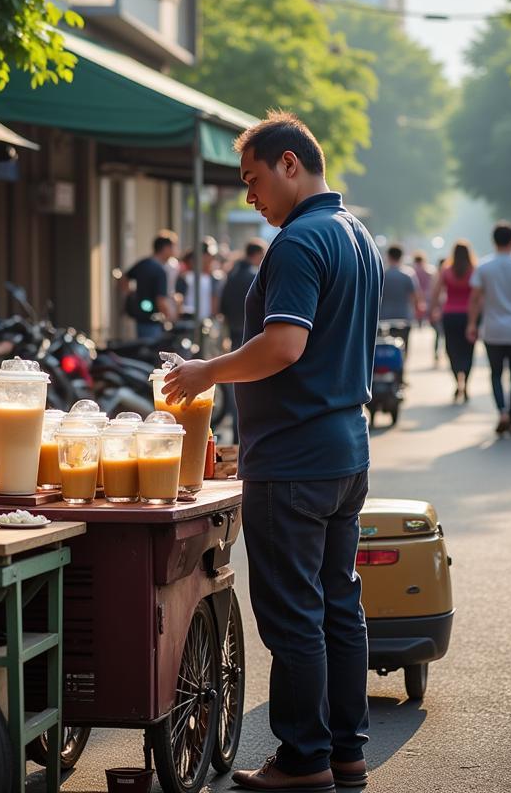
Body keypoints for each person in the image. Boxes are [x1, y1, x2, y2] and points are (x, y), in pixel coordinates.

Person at [162, 111, 382, 792]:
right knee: (339, 606)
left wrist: (206, 371)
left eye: (255, 180)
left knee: (294, 615)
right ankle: (346, 751)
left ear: (292, 164)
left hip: (295, 461)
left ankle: (303, 759)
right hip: (345, 451)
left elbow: (285, 345)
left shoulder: (298, 242)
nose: (250, 197)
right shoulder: (357, 234)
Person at [467, 222, 511, 435]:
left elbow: (474, 299)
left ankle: (502, 412)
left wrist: (472, 324)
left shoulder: (484, 266)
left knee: (496, 374)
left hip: (493, 330)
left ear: (494, 241)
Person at [219, 238, 268, 441]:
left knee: (235, 382)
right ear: (256, 255)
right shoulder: (253, 277)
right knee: (250, 383)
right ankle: (248, 433)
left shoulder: (232, 274)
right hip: (251, 335)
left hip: (233, 332)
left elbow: (222, 305)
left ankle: (239, 432)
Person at [432, 240, 476, 402]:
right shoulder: (473, 271)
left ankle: (457, 380)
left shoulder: (446, 271)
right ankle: (466, 383)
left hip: (449, 316)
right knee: (468, 351)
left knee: (452, 349)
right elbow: (479, 296)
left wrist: (433, 310)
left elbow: (436, 292)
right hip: (468, 316)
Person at [122, 231, 178, 340]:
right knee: (154, 353)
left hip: (140, 318)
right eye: (173, 247)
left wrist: (131, 294)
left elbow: (123, 279)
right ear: (166, 248)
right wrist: (170, 319)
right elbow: (160, 300)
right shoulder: (160, 271)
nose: (175, 251)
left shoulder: (143, 263)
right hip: (153, 321)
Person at [379, 245, 421, 353]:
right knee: (404, 344)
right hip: (404, 316)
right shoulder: (408, 274)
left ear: (388, 256)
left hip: (384, 317)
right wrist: (417, 310)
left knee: (384, 345)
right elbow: (414, 295)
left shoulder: (382, 273)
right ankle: (401, 365)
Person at [175, 238, 223, 319]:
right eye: (207, 255)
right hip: (189, 324)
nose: (211, 259)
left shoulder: (215, 278)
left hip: (208, 324)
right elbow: (179, 300)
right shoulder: (185, 278)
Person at [412, 252, 438, 359]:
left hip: (418, 297)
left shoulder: (412, 272)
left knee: (419, 315)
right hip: (428, 297)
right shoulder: (430, 271)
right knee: (434, 326)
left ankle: (420, 324)